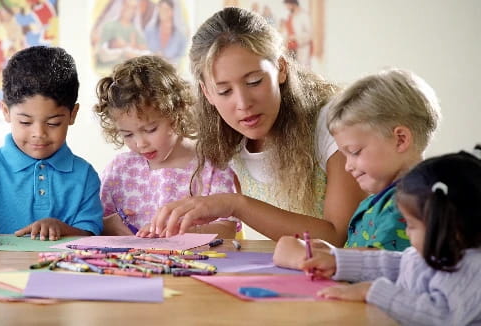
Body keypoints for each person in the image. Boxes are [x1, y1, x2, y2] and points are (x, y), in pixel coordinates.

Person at [147, 7, 365, 243]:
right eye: (224, 91)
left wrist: (235, 205)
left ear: (281, 69)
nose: (243, 103)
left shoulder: (332, 124)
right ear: (207, 92)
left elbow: (337, 237)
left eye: (254, 81)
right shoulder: (224, 142)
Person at [273, 68, 441, 269]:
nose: (348, 166)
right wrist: (327, 250)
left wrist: (309, 257)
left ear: (401, 139)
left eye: (355, 152)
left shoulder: (411, 204)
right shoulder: (379, 200)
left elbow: (383, 265)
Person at [300, 149, 481, 325]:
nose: (407, 232)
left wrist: (371, 291)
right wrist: (338, 262)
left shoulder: (472, 269)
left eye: (411, 225)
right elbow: (394, 264)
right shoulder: (434, 252)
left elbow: (441, 316)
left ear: (452, 226)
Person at [0, 46, 104, 241]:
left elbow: (90, 233)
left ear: (73, 114)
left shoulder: (85, 175)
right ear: (5, 111)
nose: (39, 134)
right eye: (25, 122)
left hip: (59, 269)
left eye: (53, 123)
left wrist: (62, 228)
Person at [93, 55, 239, 238]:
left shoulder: (212, 165)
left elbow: (227, 230)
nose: (140, 143)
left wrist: (178, 232)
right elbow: (95, 224)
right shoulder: (119, 170)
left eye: (151, 129)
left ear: (177, 113)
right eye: (127, 134)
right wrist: (106, 225)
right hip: (130, 265)